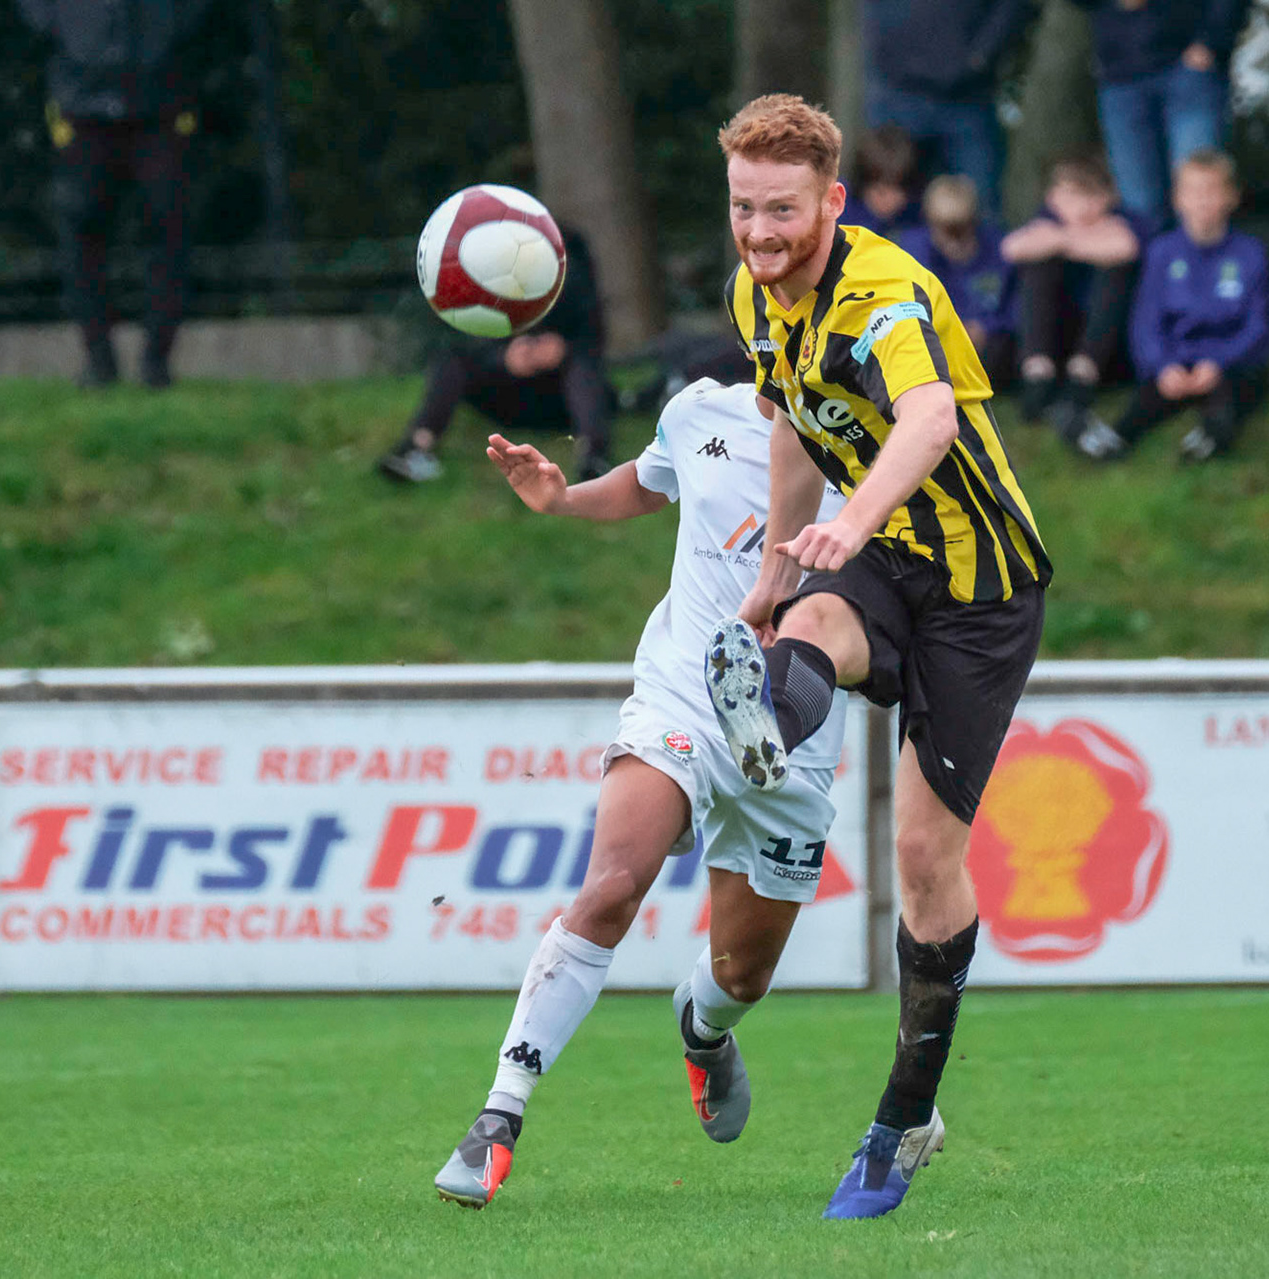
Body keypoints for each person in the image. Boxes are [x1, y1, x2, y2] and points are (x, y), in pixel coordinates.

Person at [712, 94, 1048, 1219]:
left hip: (982, 589)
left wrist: (845, 529)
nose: (760, 232)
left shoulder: (885, 296)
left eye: (783, 210)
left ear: (833, 201)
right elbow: (793, 422)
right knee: (805, 624)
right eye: (744, 208)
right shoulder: (755, 297)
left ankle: (908, 1114)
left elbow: (929, 420)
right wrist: (772, 570)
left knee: (921, 858)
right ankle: (767, 731)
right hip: (888, 557)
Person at [432, 377, 851, 1209]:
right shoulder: (697, 410)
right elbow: (647, 480)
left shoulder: (873, 442)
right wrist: (561, 498)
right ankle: (497, 1118)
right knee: (612, 888)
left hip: (791, 732)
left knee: (744, 975)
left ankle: (703, 1031)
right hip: (685, 698)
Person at [20, 0, 206, 389]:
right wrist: (70, 29)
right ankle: (98, 361)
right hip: (80, 105)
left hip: (161, 102)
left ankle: (157, 362)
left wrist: (164, 33)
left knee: (167, 226)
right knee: (82, 228)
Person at [1083, 150, 1269, 462]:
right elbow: (1146, 320)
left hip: (1229, 360)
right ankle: (1118, 437)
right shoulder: (1162, 252)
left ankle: (1212, 434)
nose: (1202, 201)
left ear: (1231, 198)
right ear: (1178, 199)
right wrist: (1162, 365)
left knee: (1240, 388)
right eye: (1193, 192)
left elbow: (1260, 325)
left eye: (1212, 191)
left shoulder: (1251, 254)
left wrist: (1219, 362)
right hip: (1178, 356)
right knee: (1150, 395)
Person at [380, 224, 613, 483]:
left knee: (581, 368)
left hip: (561, 397)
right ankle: (416, 447)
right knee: (452, 362)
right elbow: (467, 344)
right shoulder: (492, 286)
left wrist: (562, 351)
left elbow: (593, 345)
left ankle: (593, 456)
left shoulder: (573, 279)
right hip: (506, 393)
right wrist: (505, 359)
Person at [1070, 0, 1249, 230]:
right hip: (1120, 75)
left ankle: (1206, 264)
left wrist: (1211, 42)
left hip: (1188, 66)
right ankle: (1155, 264)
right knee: (1138, 207)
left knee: (1200, 195)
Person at [1001, 155, 1144, 440]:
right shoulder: (1045, 221)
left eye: (1089, 196)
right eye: (1070, 195)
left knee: (1113, 273)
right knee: (1038, 268)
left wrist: (1063, 240)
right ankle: (1037, 374)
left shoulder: (1123, 221)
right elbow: (1011, 248)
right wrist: (1076, 239)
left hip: (1111, 350)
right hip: (1060, 339)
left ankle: (1083, 376)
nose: (1080, 207)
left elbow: (1124, 247)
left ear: (1107, 197)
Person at [864, 0, 1034, 218]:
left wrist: (980, 58)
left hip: (969, 100)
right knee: (886, 211)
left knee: (979, 212)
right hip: (896, 93)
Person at [896, 175, 1019, 387]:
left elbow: (1015, 308)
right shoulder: (913, 249)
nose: (953, 240)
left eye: (960, 229)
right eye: (945, 229)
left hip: (986, 344)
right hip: (933, 337)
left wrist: (986, 327)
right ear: (929, 221)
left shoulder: (997, 247)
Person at [839, 125, 924, 241]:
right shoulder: (838, 209)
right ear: (861, 186)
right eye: (881, 192)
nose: (891, 201)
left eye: (898, 191)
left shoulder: (915, 214)